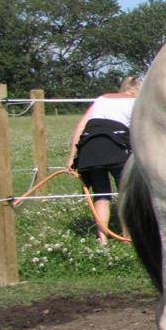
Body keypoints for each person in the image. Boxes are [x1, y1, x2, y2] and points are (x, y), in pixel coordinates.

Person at [68, 76, 140, 244]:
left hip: (89, 148)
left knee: (101, 194)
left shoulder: (101, 99)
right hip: (116, 147)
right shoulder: (136, 102)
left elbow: (80, 127)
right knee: (126, 193)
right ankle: (127, 237)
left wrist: (72, 157)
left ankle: (102, 239)